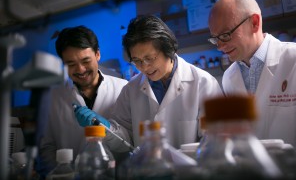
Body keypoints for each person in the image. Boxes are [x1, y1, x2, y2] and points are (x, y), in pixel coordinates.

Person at [74, 15, 223, 153]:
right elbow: (124, 140)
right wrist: (104, 127)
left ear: (168, 48)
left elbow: (215, 143)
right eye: (137, 61)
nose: (144, 67)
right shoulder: (131, 90)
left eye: (149, 58)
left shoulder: (203, 84)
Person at [208, 0, 296, 147]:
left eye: (225, 35)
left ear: (254, 23)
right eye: (215, 39)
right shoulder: (229, 78)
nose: (220, 46)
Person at [37, 25, 128, 175]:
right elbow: (46, 147)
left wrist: (107, 128)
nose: (80, 69)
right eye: (71, 64)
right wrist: (62, 175)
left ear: (97, 54)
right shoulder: (52, 97)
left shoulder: (123, 88)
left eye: (86, 61)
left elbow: (129, 142)